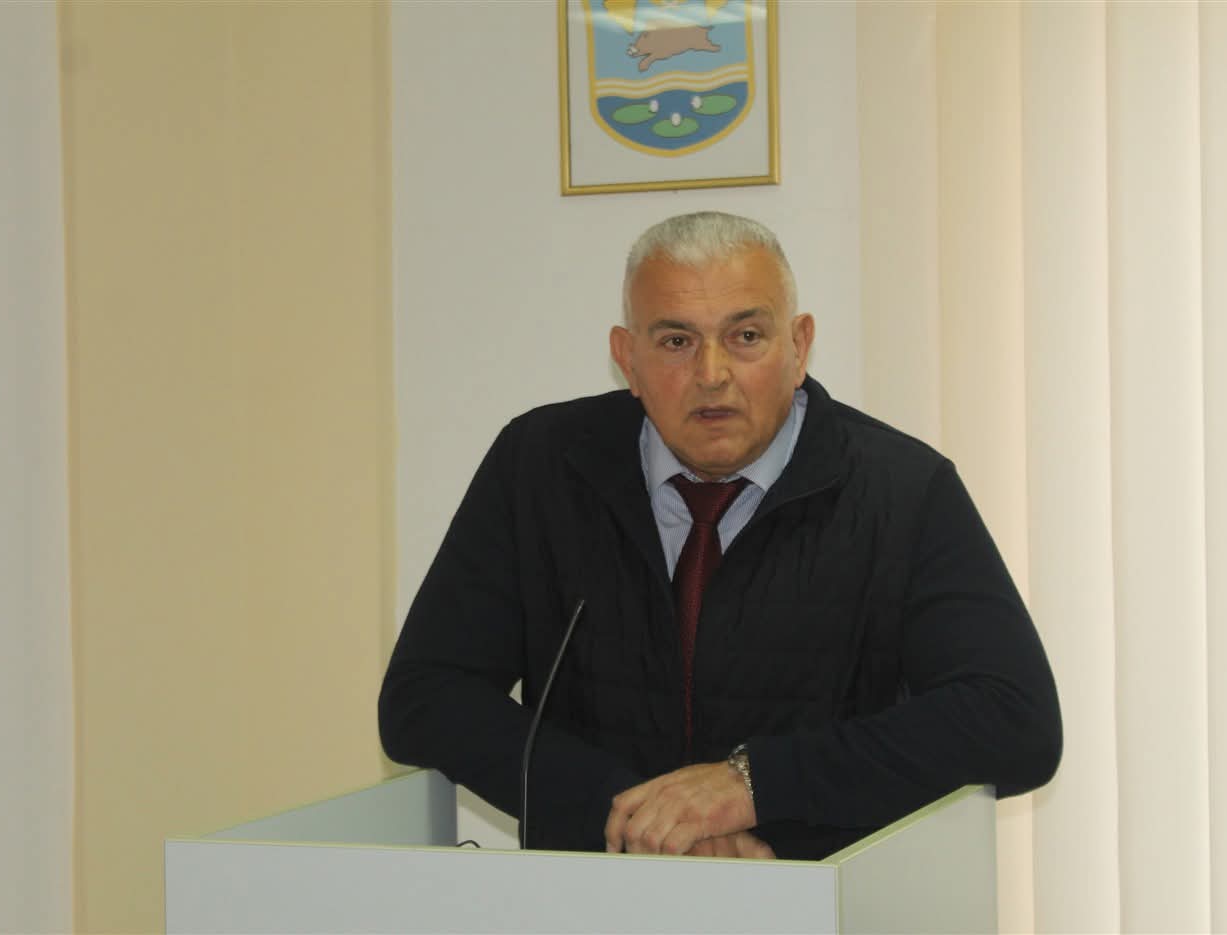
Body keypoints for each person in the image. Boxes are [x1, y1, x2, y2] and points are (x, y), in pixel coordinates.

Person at [379, 211, 1061, 860]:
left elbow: (1013, 719)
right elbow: (425, 697)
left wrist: (753, 787)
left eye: (746, 336)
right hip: (594, 896)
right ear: (627, 358)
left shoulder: (900, 490)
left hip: (822, 900)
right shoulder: (540, 466)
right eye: (676, 341)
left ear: (798, 346)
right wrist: (642, 819)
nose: (711, 374)